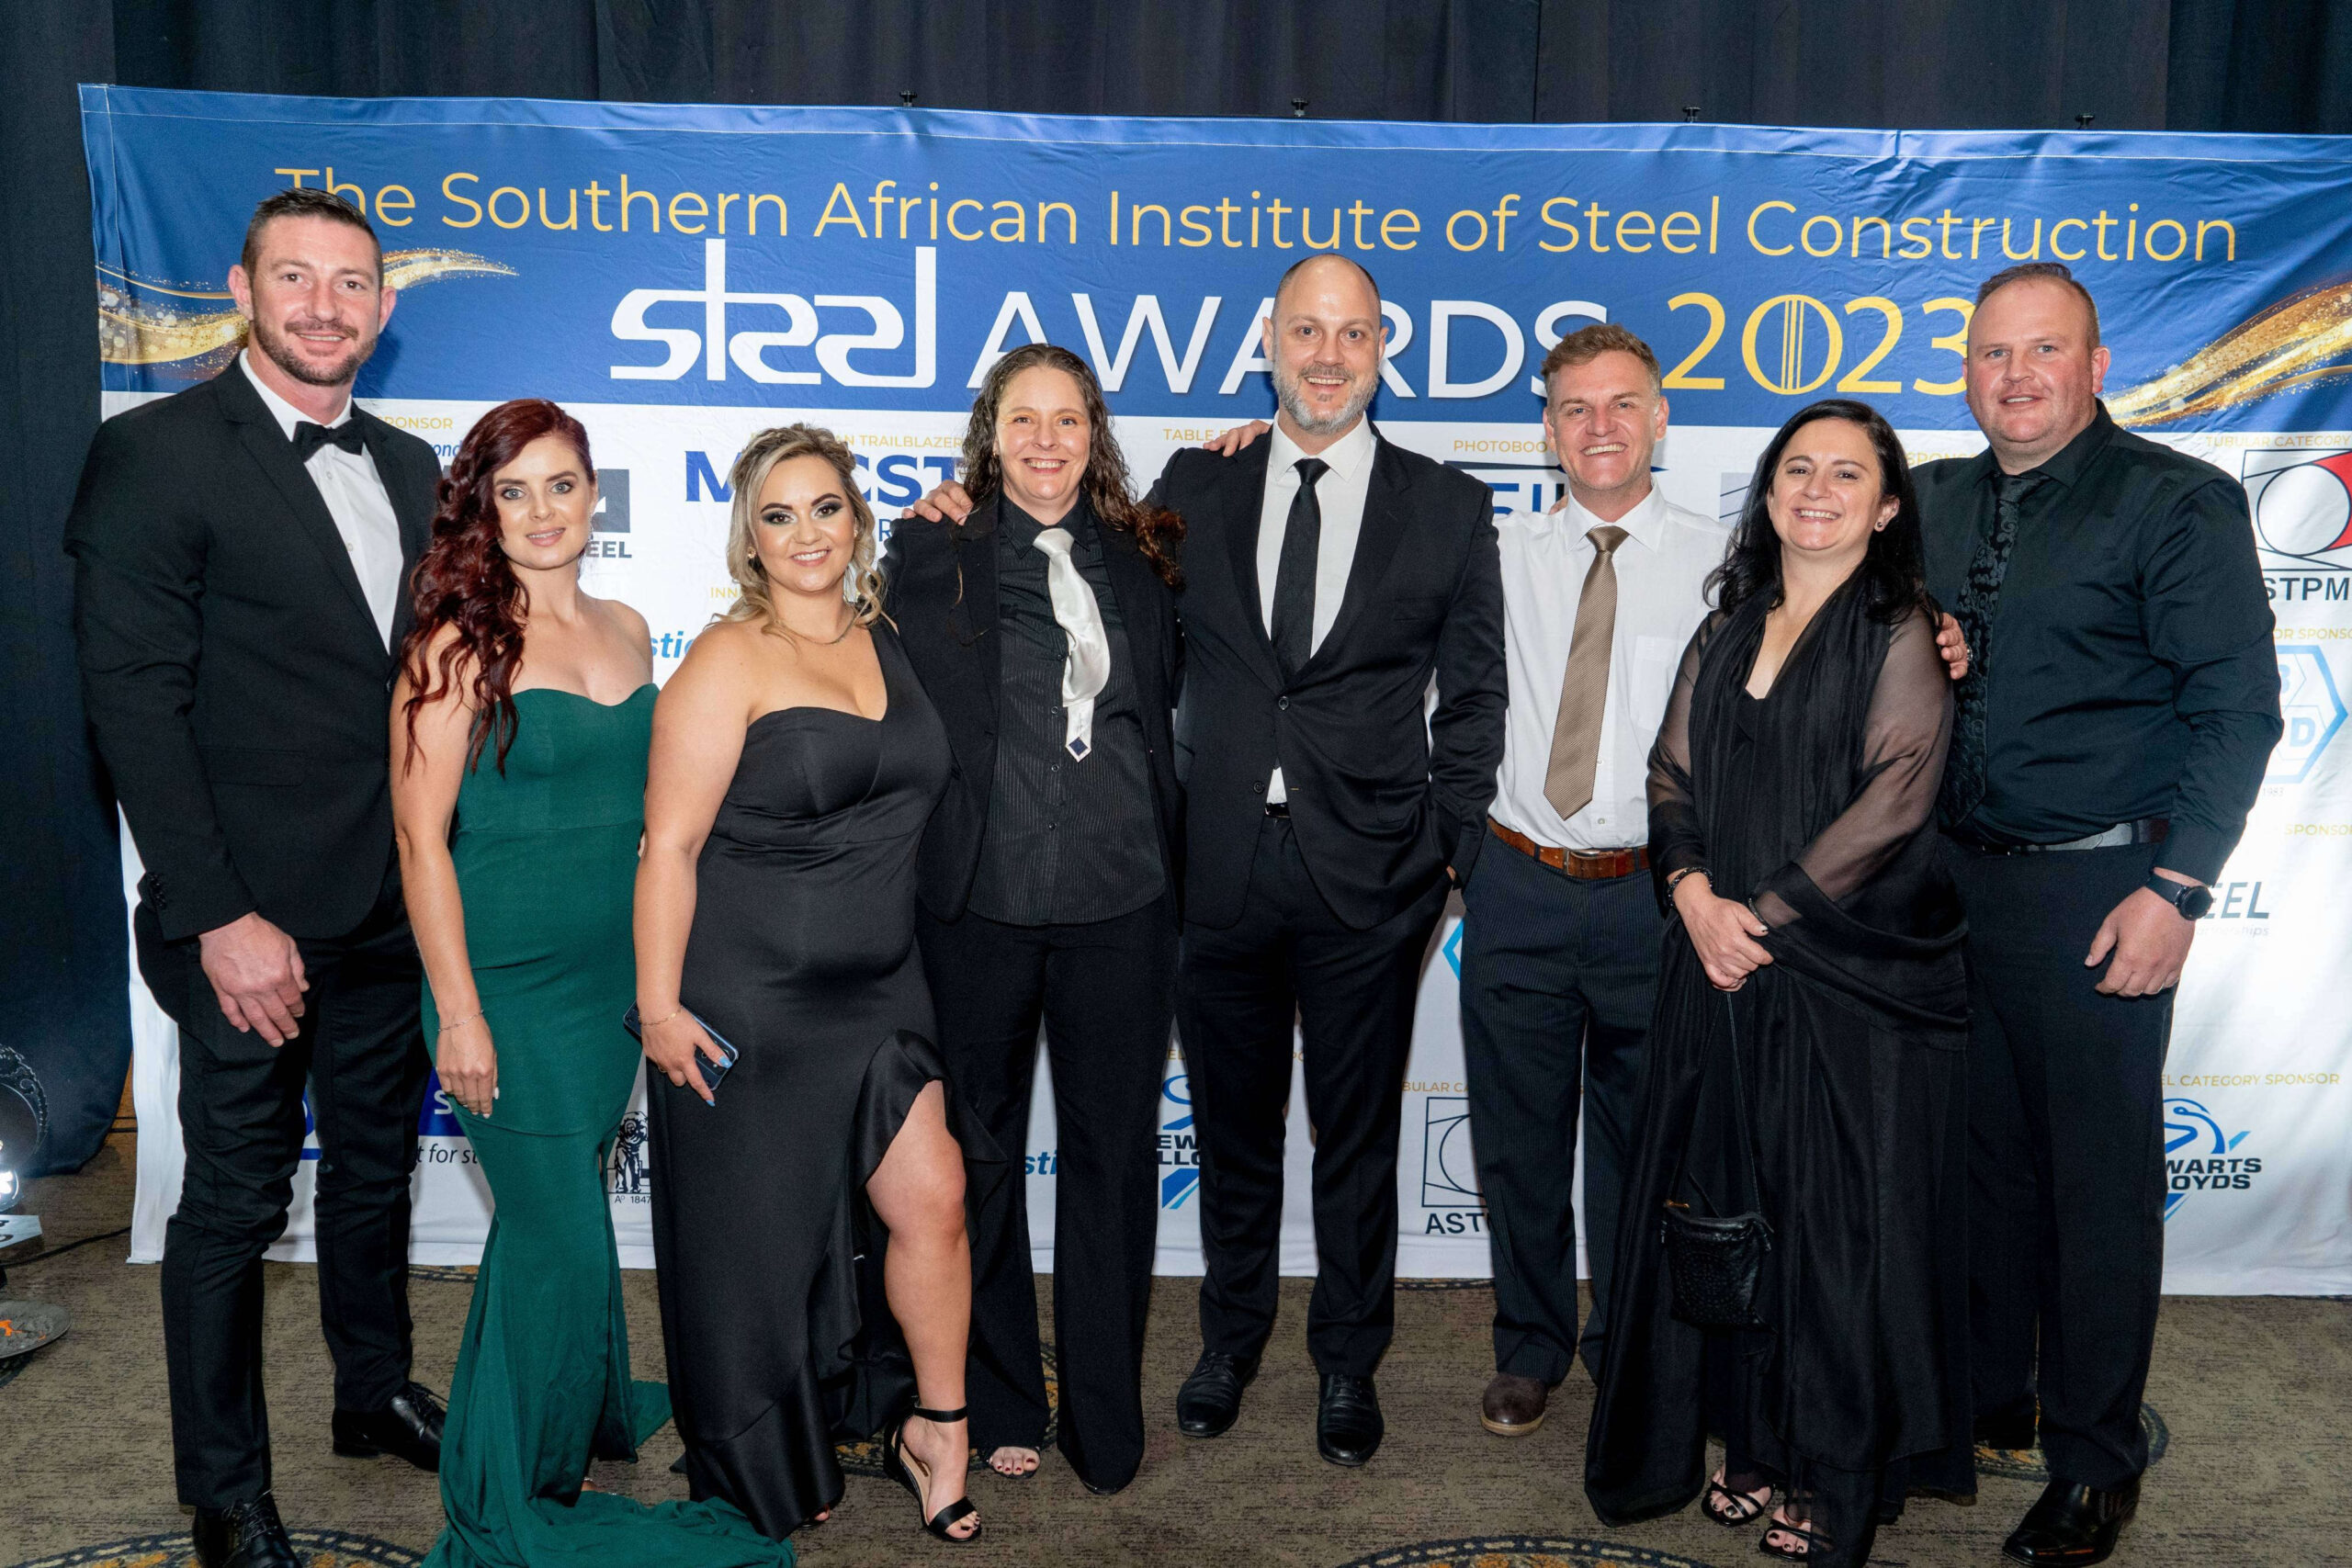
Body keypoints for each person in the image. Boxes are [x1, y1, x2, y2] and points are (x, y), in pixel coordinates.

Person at [1201, 327, 1969, 1446]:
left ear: (1659, 418)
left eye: (1621, 405)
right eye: (1573, 407)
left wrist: (1937, 630)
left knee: (1638, 1142)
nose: (1598, 427)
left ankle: (1625, 1344)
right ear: (1547, 428)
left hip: (1659, 898)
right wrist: (1261, 447)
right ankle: (1528, 1348)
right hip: (1513, 881)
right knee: (1514, 1142)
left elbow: (1842, 634)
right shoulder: (1491, 548)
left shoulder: (1731, 566)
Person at [66, 186, 446, 1568]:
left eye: (350, 283)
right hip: (246, 918)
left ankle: (371, 1389)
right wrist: (221, 913)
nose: (323, 307)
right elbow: (132, 704)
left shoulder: (413, 465)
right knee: (233, 1199)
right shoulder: (153, 454)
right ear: (242, 289)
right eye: (295, 277)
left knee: (377, 1170)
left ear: (384, 307)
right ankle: (224, 1490)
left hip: (391, 906)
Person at [1917, 263, 2279, 1568]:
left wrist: (2176, 889)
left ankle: (2094, 1461)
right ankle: (1989, 1393)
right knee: (1977, 1168)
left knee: (2093, 1188)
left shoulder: (2175, 499)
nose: (2015, 375)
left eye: (2044, 350)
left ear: (2096, 363)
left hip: (2100, 889)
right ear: (1967, 369)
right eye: (1993, 352)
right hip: (1947, 886)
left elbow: (2236, 709)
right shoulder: (1930, 499)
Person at [390, 399, 790, 1568]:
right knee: (557, 1236)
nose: (541, 512)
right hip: (501, 988)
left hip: (610, 980)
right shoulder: (454, 649)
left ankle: (567, 1415)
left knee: (556, 1219)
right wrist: (461, 1015)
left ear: (594, 495)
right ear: (483, 509)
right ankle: (505, 1491)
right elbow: (420, 843)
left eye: (560, 486)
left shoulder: (629, 626)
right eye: (513, 492)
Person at [1586, 399, 1974, 1568]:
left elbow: (1896, 797)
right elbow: (1669, 773)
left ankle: (1829, 1469)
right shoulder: (1729, 622)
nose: (1817, 490)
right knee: (1731, 1213)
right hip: (1715, 964)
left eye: (1846, 474)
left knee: (1834, 1235)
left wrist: (1756, 916)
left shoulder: (1901, 630)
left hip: (1847, 976)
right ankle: (1751, 1439)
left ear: (1887, 506)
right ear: (1765, 493)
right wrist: (1692, 894)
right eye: (1797, 469)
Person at [1161, 253, 1505, 1468]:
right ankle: (1230, 1339)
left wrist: (1445, 851)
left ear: (1381, 351)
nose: (1326, 354)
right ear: (1268, 343)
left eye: (1351, 333)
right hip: (1216, 871)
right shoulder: (1193, 485)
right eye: (1305, 330)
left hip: (1371, 881)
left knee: (1356, 1138)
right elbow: (1116, 632)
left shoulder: (1448, 506)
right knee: (1233, 1131)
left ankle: (1349, 1359)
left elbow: (1475, 699)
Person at [634, 424, 1000, 1544]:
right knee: (758, 1252)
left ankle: (939, 1428)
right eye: (779, 514)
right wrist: (659, 1008)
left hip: (882, 988)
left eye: (826, 507)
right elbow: (668, 848)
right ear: (749, 536)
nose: (806, 534)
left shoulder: (890, 637)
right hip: (750, 997)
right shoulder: (725, 659)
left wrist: (964, 510)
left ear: (858, 519)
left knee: (934, 1199)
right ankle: (759, 1451)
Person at [883, 344, 1184, 1493]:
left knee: (1113, 1161)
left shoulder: (1147, 552)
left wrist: (1254, 438)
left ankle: (1104, 1411)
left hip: (1125, 898)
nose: (1045, 441)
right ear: (991, 434)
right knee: (981, 1158)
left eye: (1067, 420)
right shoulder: (932, 548)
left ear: (1093, 433)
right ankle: (1003, 1391)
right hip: (981, 903)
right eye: (1024, 419)